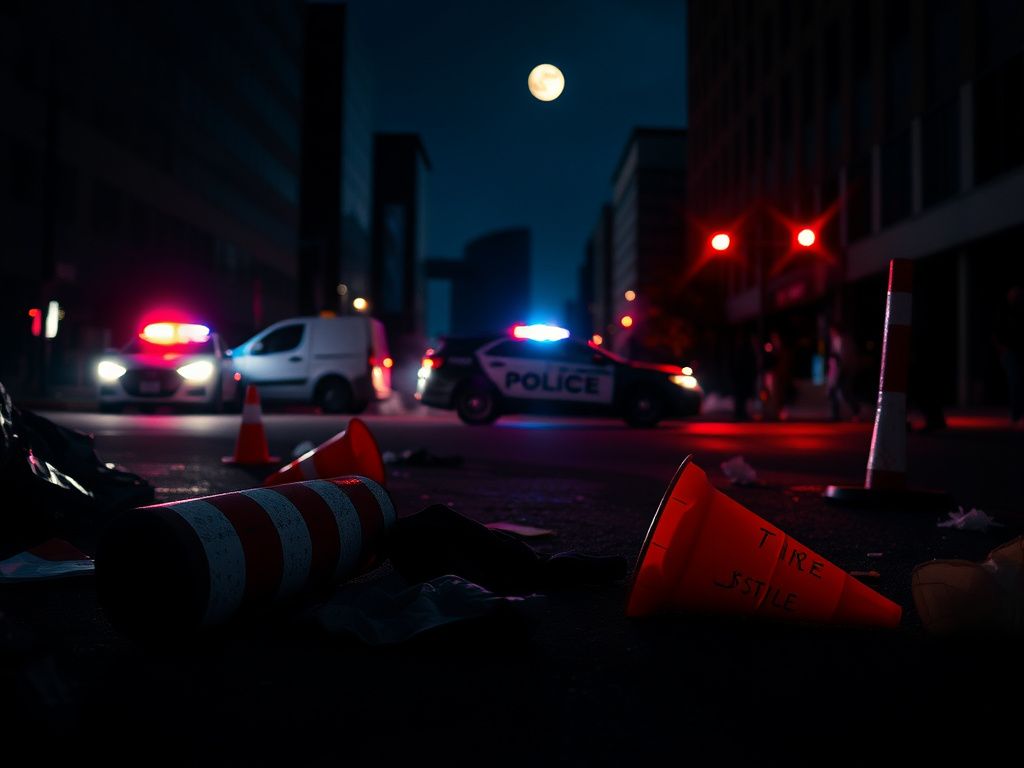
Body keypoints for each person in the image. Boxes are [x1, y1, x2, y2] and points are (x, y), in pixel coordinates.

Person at [994, 285, 1024, 427]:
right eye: (1013, 295)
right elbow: (997, 332)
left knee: (1017, 382)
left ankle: (1017, 413)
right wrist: (1002, 349)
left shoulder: (1018, 313)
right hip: (1009, 351)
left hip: (1016, 350)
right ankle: (1016, 414)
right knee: (1015, 381)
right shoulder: (1004, 313)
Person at [827, 323, 861, 421]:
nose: (831, 333)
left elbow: (844, 357)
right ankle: (836, 415)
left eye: (832, 331)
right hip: (838, 370)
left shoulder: (843, 340)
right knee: (836, 392)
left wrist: (842, 368)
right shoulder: (835, 341)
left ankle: (855, 410)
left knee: (843, 392)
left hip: (844, 370)